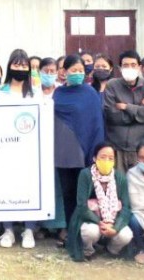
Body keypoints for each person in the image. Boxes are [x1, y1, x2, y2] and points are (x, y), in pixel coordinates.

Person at [51, 55, 104, 247]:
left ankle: (89, 235)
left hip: (86, 153)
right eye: (73, 70)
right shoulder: (57, 94)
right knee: (68, 194)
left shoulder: (91, 93)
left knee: (86, 195)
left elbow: (97, 124)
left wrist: (95, 152)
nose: (78, 74)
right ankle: (71, 234)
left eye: (81, 70)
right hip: (64, 153)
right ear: (64, 72)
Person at [0, 49, 36, 248]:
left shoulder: (35, 92)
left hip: (30, 150)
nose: (20, 69)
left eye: (24, 65)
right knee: (5, 187)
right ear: (9, 66)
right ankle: (8, 230)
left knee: (30, 187)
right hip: (5, 149)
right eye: (16, 65)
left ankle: (29, 230)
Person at [68, 143, 132, 261]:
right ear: (94, 158)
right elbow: (82, 206)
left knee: (126, 235)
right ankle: (88, 250)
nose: (107, 161)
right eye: (103, 157)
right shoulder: (86, 175)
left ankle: (111, 250)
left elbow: (126, 208)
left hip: (113, 222)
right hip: (91, 221)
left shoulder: (120, 177)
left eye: (111, 158)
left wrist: (115, 228)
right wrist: (100, 222)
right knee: (91, 232)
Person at [103, 50, 144, 171]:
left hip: (140, 147)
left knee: (139, 185)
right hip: (117, 147)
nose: (129, 68)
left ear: (139, 67)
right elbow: (112, 115)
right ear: (120, 67)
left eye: (133, 65)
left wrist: (127, 107)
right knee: (119, 184)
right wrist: (139, 108)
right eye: (125, 65)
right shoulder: (112, 85)